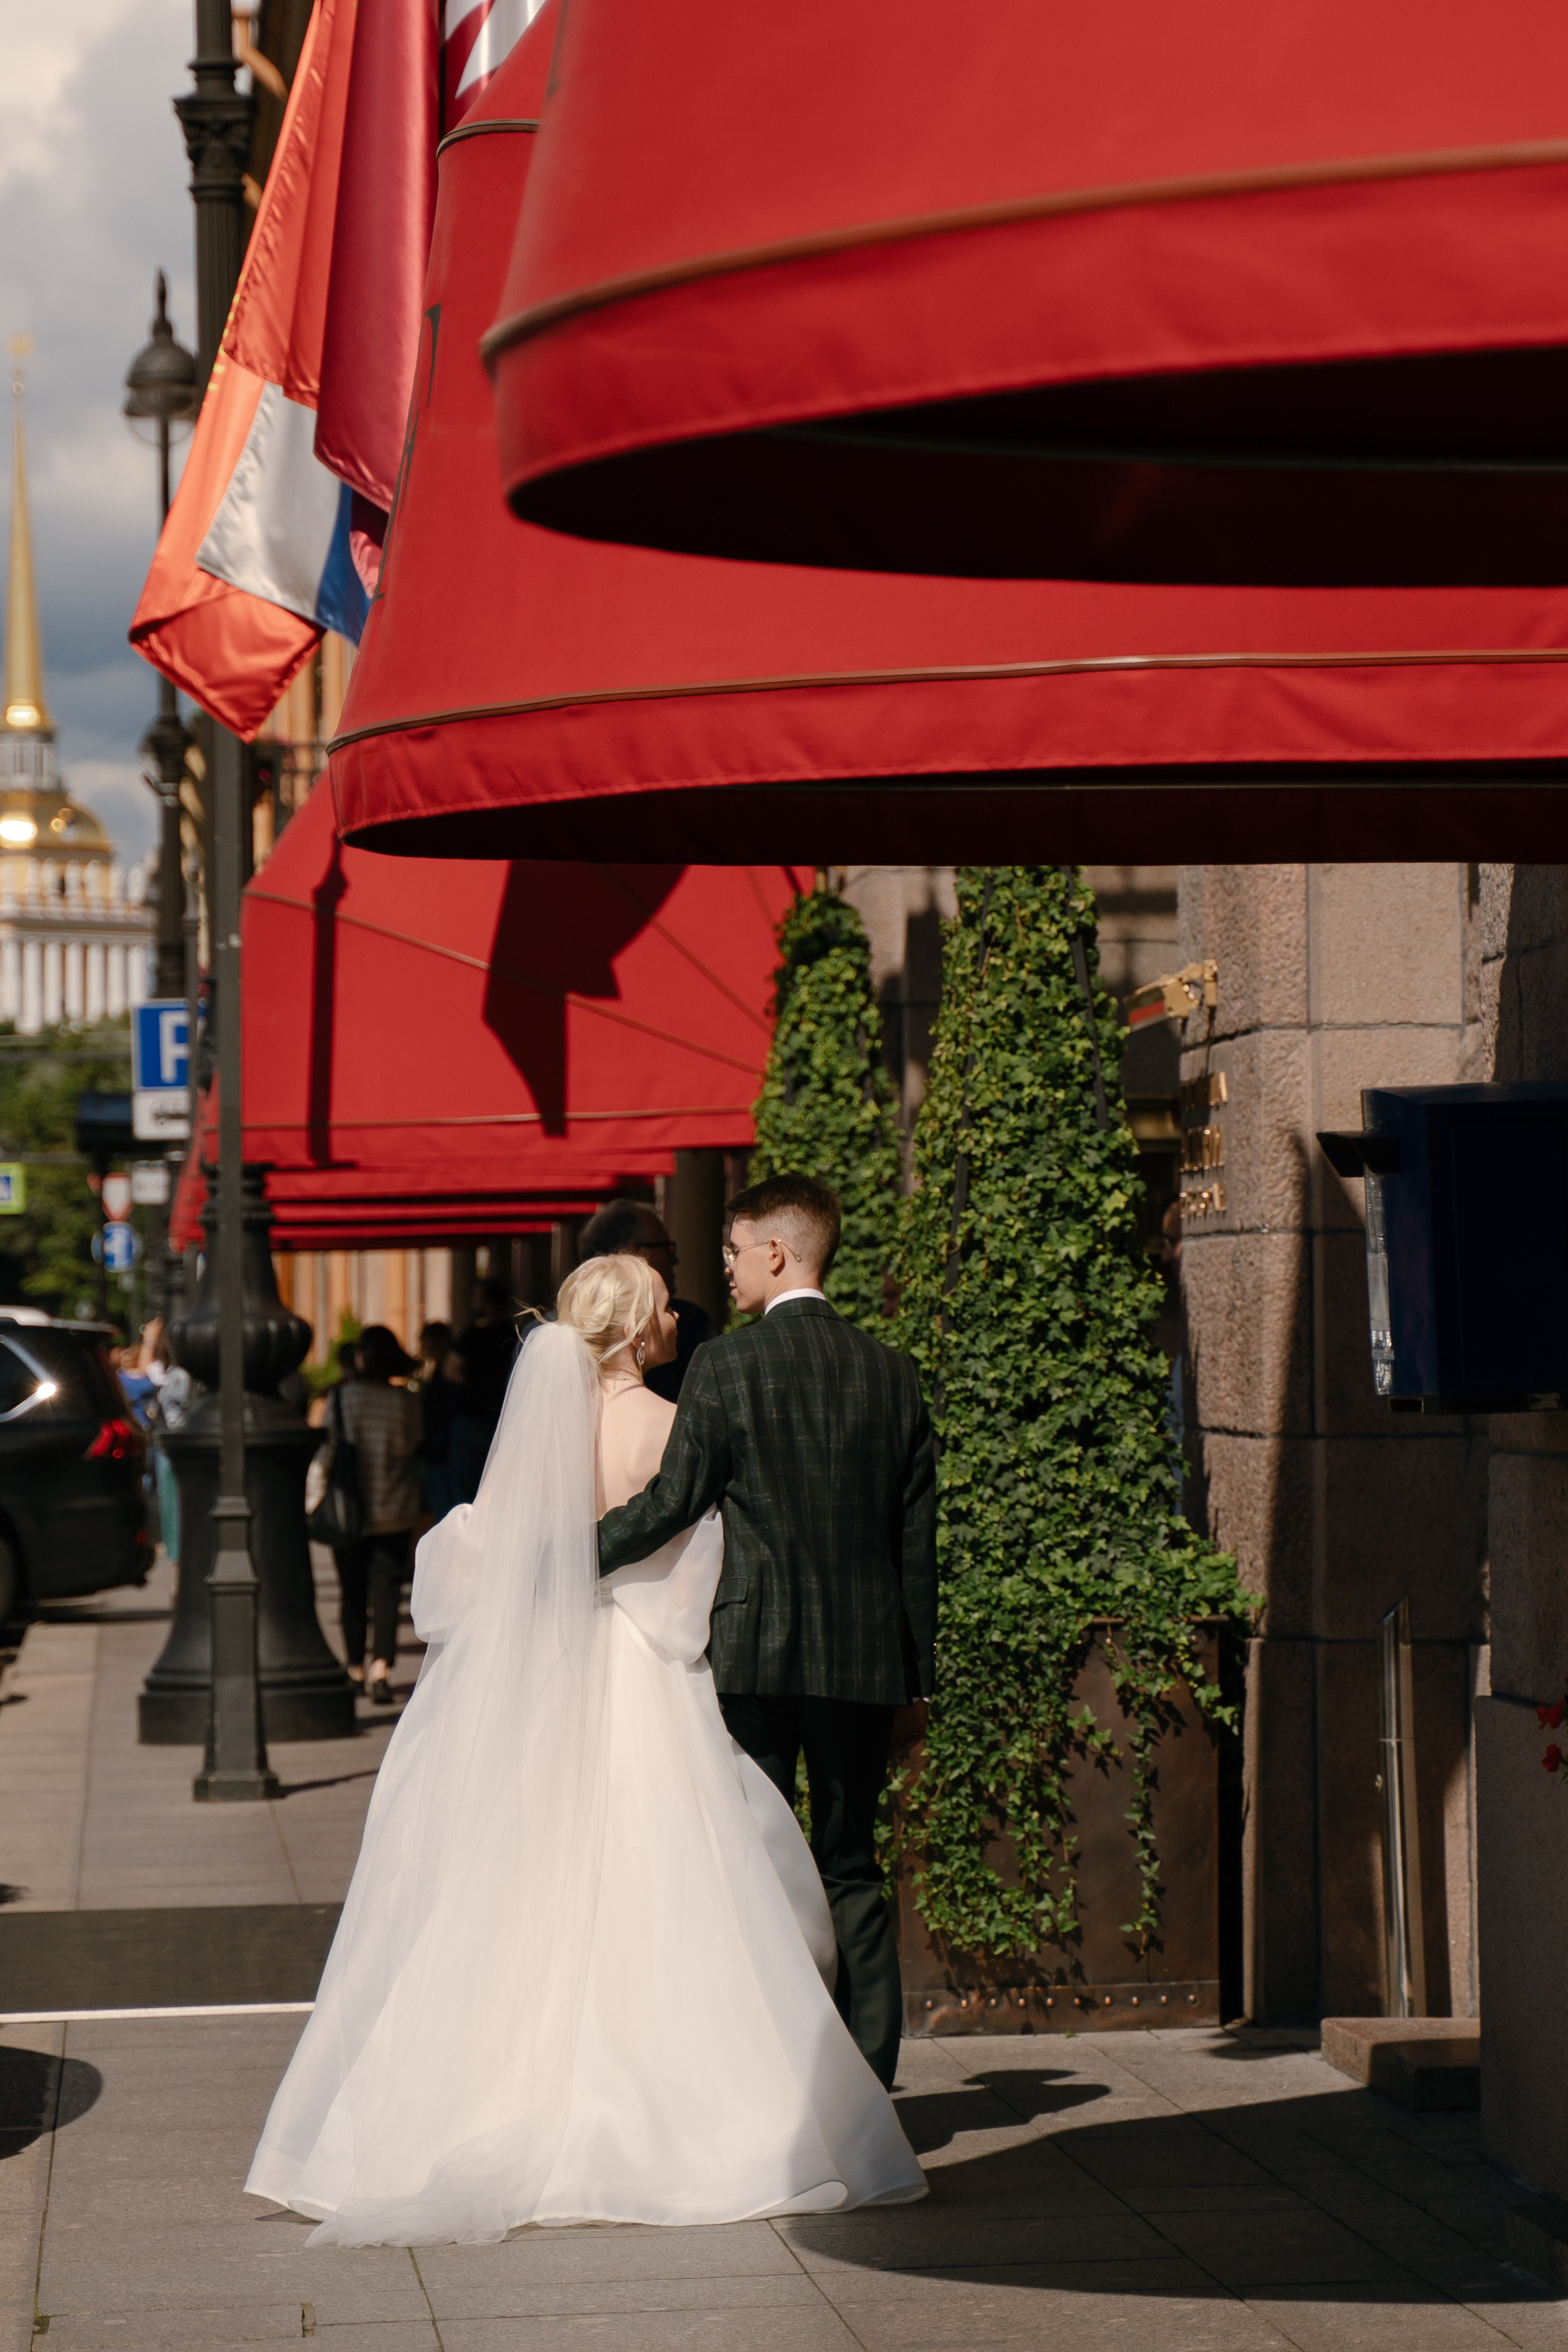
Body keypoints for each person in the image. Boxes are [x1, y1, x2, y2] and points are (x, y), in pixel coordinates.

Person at [247, 1252, 923, 2243]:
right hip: (645, 1666)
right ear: (641, 1328)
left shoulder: (542, 1436)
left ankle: (462, 2108)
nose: (675, 1323)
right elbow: (699, 1550)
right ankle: (698, 2115)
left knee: (525, 1881)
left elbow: (486, 1544)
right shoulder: (666, 1422)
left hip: (553, 1668)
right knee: (673, 1879)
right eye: (661, 1309)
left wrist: (558, 1572)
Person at [597, 1174, 936, 2091]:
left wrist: (568, 1556)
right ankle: (869, 2084)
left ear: (776, 1253)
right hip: (865, 1660)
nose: (726, 1268)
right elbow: (917, 1544)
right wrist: (919, 1679)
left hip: (753, 1653)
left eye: (734, 1251)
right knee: (852, 1866)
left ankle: (781, 2077)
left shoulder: (725, 1367)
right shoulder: (892, 1372)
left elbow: (674, 1503)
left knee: (755, 1864)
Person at [334, 1326, 423, 1704]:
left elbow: (331, 1444)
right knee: (386, 1590)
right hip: (395, 1505)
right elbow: (412, 1445)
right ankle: (380, 1670)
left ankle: (354, 1667)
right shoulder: (405, 1401)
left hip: (349, 1508)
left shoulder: (344, 1397)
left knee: (351, 1590)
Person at [574, 1199, 715, 1401]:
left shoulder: (544, 1332)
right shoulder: (690, 1323)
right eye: (666, 1248)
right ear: (634, 1254)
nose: (675, 1260)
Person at [445, 1278, 518, 1502]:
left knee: (465, 1497)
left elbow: (450, 1371)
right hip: (504, 1421)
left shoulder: (472, 1335)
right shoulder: (515, 1334)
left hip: (470, 1419)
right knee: (500, 1494)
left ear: (487, 1301)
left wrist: (471, 1382)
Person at [412, 1319, 459, 1523]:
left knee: (447, 1509)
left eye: (429, 1345)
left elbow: (447, 1409)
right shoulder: (439, 1372)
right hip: (438, 1447)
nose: (425, 1351)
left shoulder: (450, 1374)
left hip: (444, 1448)